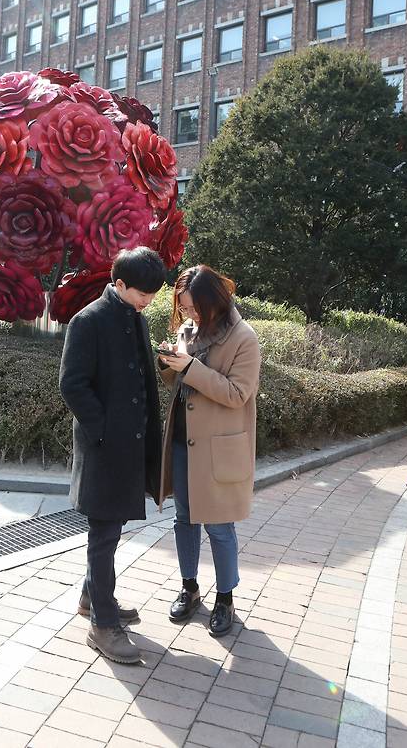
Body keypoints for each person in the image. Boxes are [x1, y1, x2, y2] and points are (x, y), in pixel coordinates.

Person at [59, 246, 166, 664]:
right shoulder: (88, 321)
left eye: (153, 295)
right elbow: (73, 385)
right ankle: (102, 624)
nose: (148, 302)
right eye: (143, 294)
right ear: (118, 284)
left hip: (130, 445)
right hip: (105, 449)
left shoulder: (132, 316)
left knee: (113, 528)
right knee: (103, 536)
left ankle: (92, 597)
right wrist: (103, 431)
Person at [157, 265, 261, 638]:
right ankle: (189, 587)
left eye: (194, 308)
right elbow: (179, 379)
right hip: (185, 441)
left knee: (219, 525)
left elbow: (237, 394)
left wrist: (192, 368)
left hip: (219, 448)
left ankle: (225, 598)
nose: (189, 316)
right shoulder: (189, 330)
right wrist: (170, 363)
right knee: (184, 519)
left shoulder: (243, 338)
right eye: (184, 309)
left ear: (213, 301)